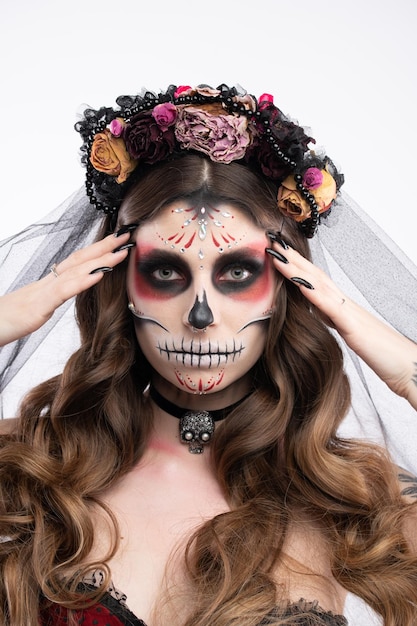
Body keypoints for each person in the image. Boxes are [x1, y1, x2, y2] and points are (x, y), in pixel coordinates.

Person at [0, 83, 416, 626]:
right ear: (120, 282)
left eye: (238, 273)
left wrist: (406, 368)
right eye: (166, 271)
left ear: (289, 288)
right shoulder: (31, 464)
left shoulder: (360, 502)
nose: (200, 317)